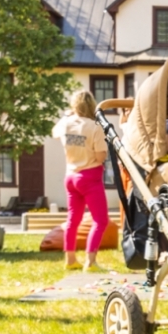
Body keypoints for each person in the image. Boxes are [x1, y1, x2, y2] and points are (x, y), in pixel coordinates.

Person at [52, 90, 110, 273]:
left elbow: (54, 132)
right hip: (90, 176)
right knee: (100, 221)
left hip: (70, 175)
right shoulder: (94, 126)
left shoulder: (65, 124)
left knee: (73, 220)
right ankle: (90, 262)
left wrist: (67, 116)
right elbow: (101, 157)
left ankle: (70, 259)